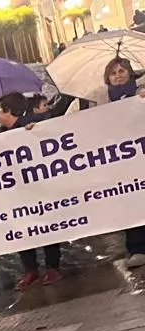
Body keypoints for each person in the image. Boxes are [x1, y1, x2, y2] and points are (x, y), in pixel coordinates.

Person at [0, 95, 63, 288]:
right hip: (16, 191)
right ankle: (31, 269)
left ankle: (52, 267)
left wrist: (36, 131)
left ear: (10, 111)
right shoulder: (0, 133)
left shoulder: (34, 125)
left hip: (39, 188)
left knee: (47, 225)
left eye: (0, 110)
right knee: (22, 228)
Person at [100, 58, 145, 267]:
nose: (118, 75)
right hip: (121, 163)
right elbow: (65, 123)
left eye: (122, 70)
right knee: (130, 204)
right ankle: (137, 248)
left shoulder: (141, 93)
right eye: (113, 73)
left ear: (130, 73)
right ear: (107, 77)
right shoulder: (99, 101)